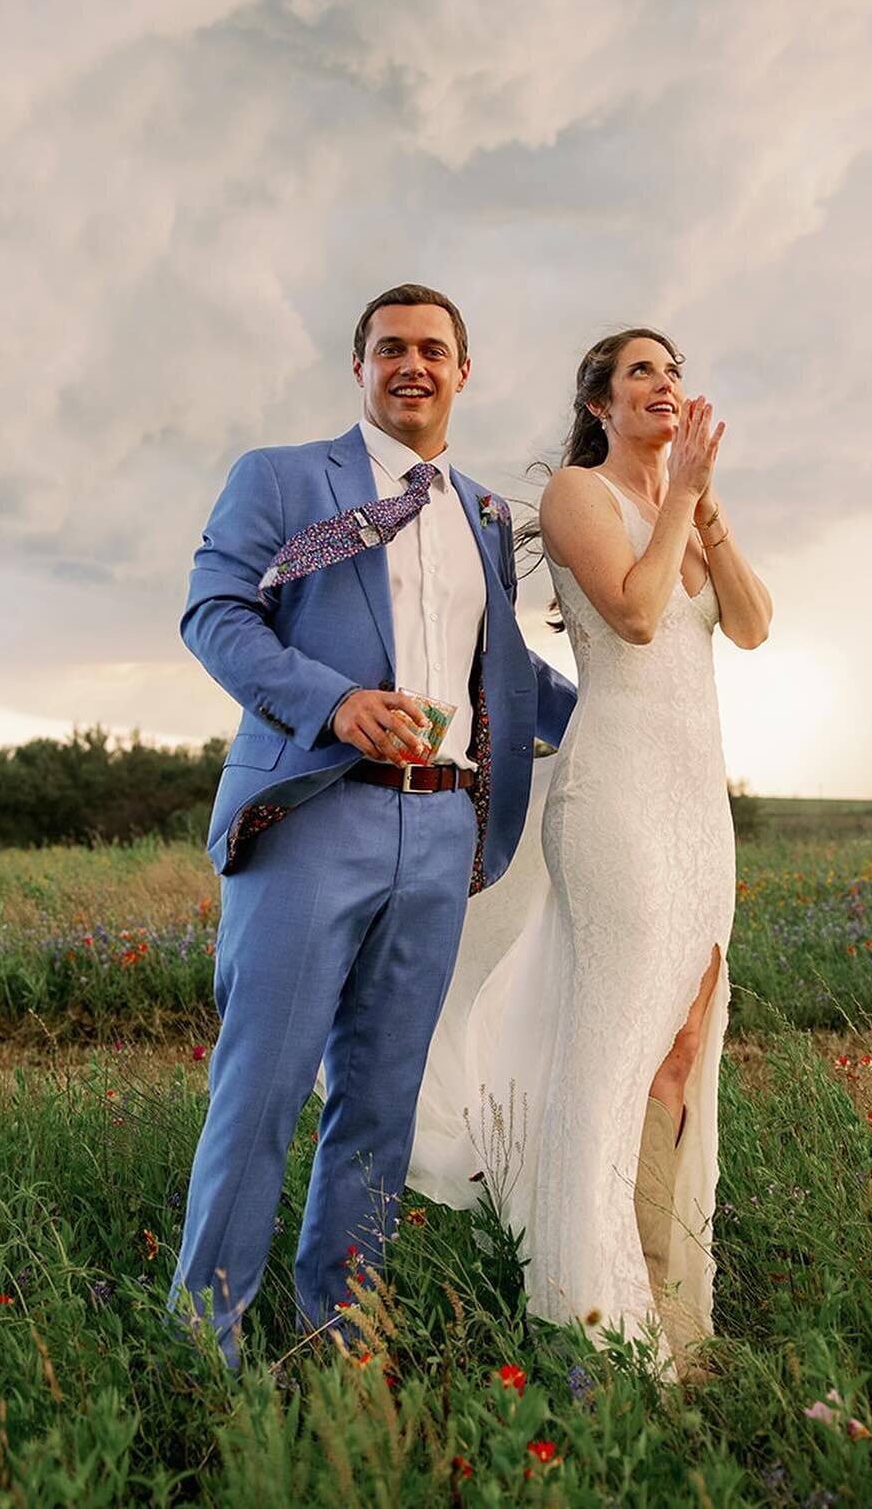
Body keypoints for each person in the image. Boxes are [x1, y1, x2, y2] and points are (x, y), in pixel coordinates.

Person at [168, 283, 578, 1362]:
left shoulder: (484, 513)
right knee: (259, 1094)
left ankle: (337, 1337)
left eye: (433, 350)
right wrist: (332, 701)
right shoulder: (284, 476)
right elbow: (215, 611)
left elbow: (510, 668)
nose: (413, 364)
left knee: (379, 1111)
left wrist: (631, 717)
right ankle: (202, 1347)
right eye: (390, 347)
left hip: (442, 835)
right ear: (359, 367)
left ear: (463, 371)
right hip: (313, 816)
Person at [408, 328, 771, 1378]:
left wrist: (708, 509)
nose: (666, 384)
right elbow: (638, 614)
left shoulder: (685, 508)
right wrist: (672, 501)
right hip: (614, 798)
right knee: (612, 1054)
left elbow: (746, 625)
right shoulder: (579, 491)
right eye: (642, 372)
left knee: (682, 1046)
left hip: (699, 807)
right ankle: (587, 1318)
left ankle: (663, 1298)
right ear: (602, 403)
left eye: (675, 370)